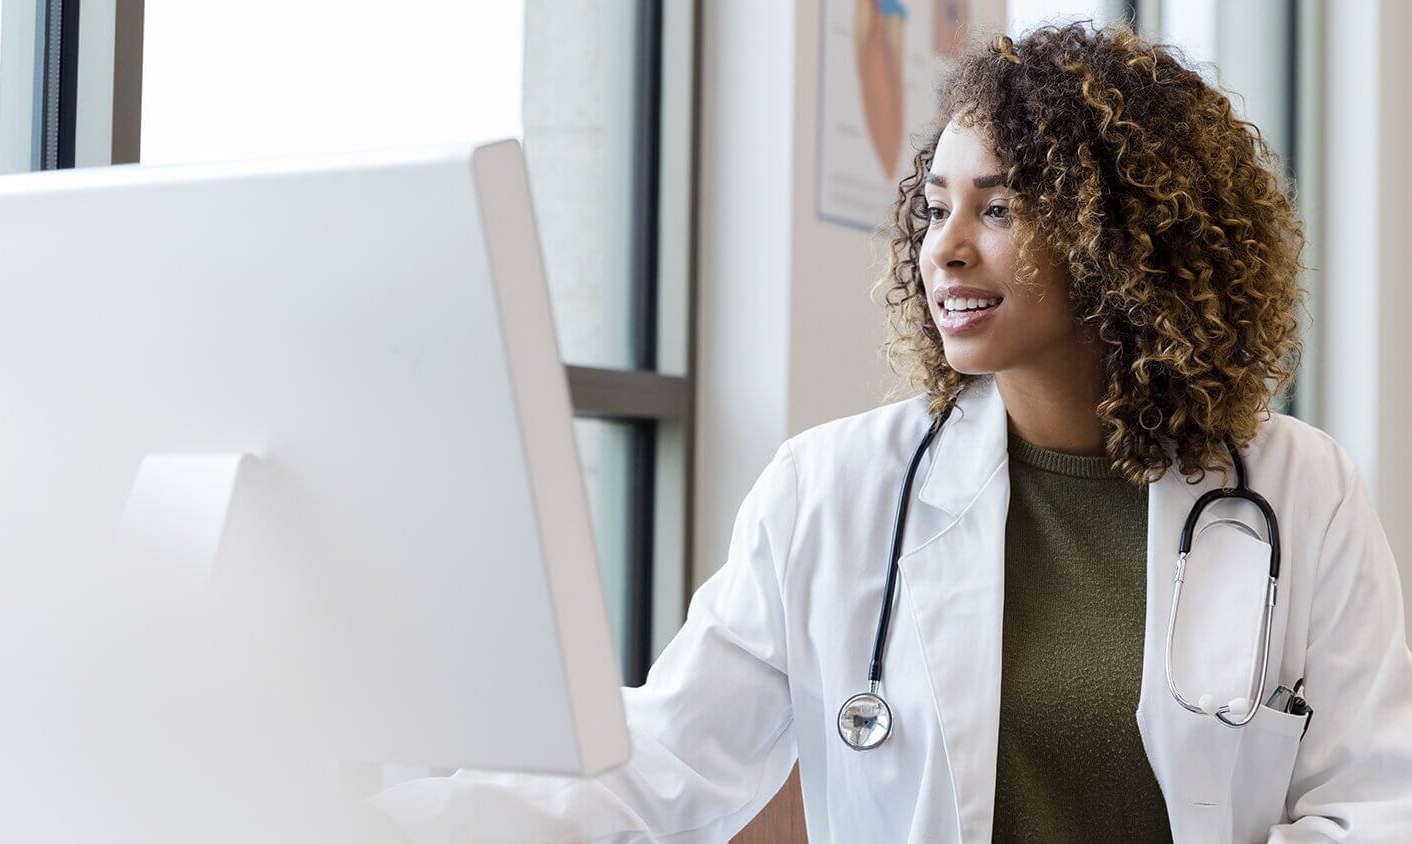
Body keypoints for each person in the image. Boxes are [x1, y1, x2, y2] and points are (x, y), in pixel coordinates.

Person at [368, 22, 1412, 842]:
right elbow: (663, 761)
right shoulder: (832, 490)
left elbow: (1370, 802)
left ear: (1122, 240)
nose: (943, 249)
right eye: (935, 207)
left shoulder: (1297, 491)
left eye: (998, 210)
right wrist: (383, 806)